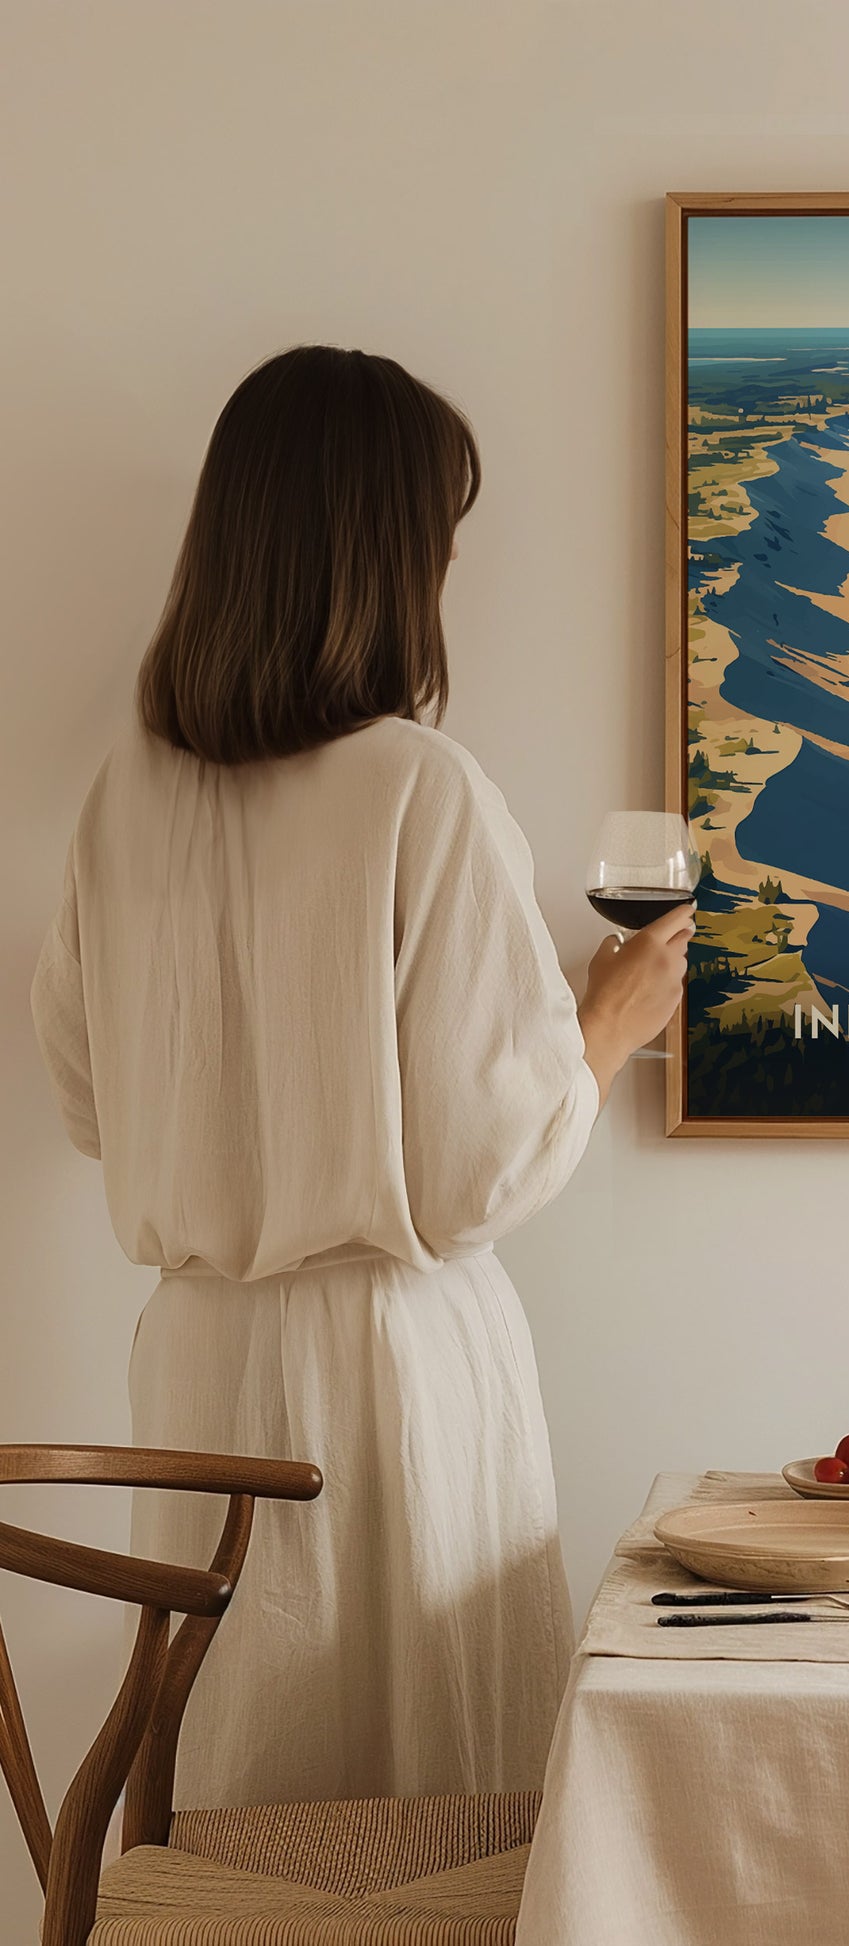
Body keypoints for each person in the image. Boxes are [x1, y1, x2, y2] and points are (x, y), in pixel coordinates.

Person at [29, 345, 691, 1806]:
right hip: (391, 1373)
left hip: (196, 1362)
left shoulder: (122, 797)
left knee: (240, 1791)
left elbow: (87, 1100)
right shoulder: (418, 786)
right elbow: (473, 1174)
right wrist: (606, 1021)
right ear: (387, 556)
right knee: (424, 1811)